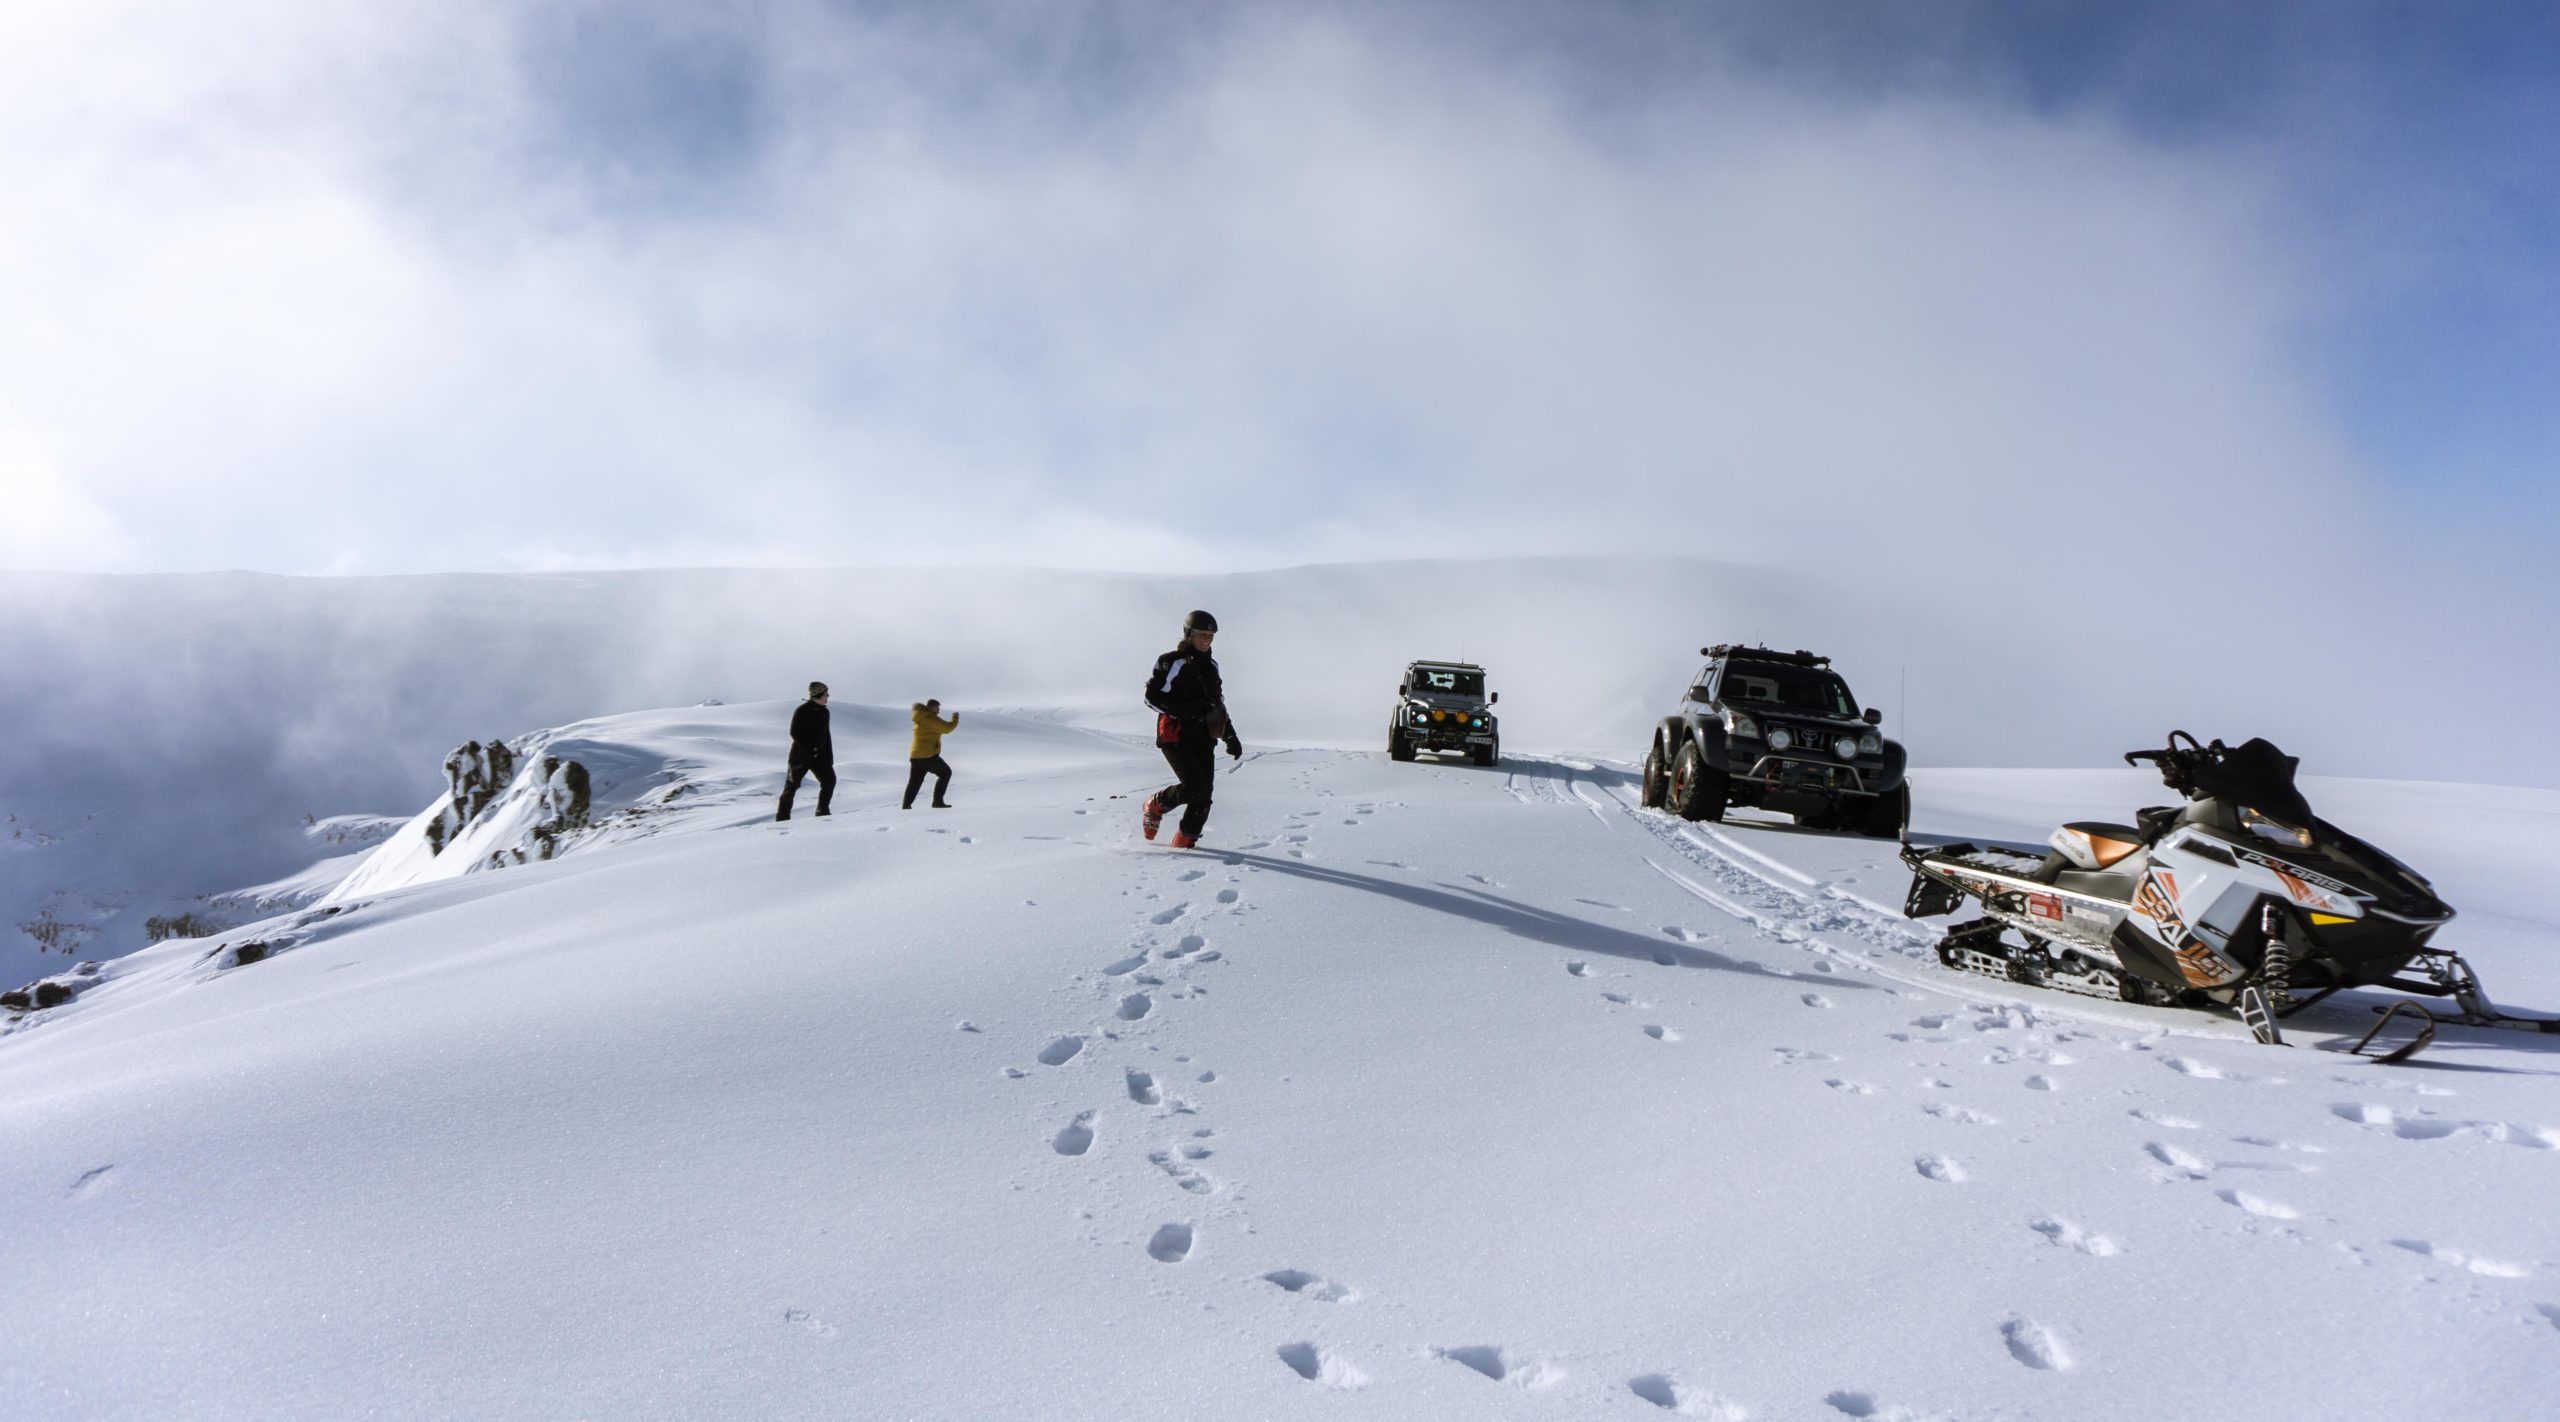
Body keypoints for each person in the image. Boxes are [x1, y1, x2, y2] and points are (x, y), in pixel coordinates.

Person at [1143, 610, 1242, 849]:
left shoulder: (1212, 666)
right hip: (1175, 734)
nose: (1207, 639)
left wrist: (1230, 736)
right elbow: (1151, 698)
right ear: (1189, 634)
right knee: (1194, 788)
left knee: (1204, 797)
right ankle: (1156, 804)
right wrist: (1188, 709)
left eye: (1211, 635)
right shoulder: (1171, 661)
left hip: (1204, 737)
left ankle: (1183, 848)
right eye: (1202, 634)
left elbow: (1217, 705)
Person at [776, 681, 835, 821]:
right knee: (792, 786)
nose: (828, 696)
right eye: (826, 694)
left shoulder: (825, 712)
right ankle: (782, 819)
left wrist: (828, 757)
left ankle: (822, 812)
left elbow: (826, 736)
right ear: (818, 695)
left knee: (830, 781)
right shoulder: (802, 710)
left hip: (820, 757)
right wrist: (809, 750)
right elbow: (794, 732)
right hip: (800, 756)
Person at [904, 698, 960, 809]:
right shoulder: (929, 718)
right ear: (932, 707)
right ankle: (937, 802)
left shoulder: (919, 717)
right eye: (937, 708)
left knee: (914, 782)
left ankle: (906, 806)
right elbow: (947, 728)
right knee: (945, 773)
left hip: (915, 756)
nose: (939, 711)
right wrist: (955, 718)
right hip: (927, 755)